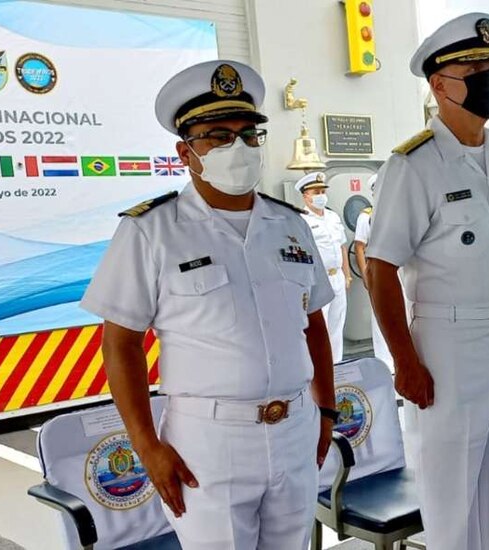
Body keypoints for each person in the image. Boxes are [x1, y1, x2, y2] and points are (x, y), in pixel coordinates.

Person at [80, 60, 338, 549]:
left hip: (296, 429)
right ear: (186, 152)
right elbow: (120, 345)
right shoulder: (150, 230)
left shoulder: (290, 225)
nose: (238, 147)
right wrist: (146, 446)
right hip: (209, 445)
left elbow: (314, 325)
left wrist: (326, 410)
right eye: (219, 136)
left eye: (248, 135)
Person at [365, 12, 489, 549]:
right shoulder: (412, 166)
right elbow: (379, 267)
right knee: (451, 491)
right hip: (447, 344)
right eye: (475, 70)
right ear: (440, 85)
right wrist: (405, 361)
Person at [297, 172, 351, 361]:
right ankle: (320, 368)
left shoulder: (333, 217)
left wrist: (347, 274)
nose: (321, 195)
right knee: (320, 326)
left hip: (337, 277)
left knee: (337, 322)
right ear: (306, 196)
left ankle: (336, 365)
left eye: (322, 191)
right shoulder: (301, 220)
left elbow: (342, 246)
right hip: (318, 280)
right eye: (316, 192)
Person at [353, 174, 392, 368]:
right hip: (378, 269)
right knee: (381, 316)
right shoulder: (366, 216)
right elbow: (359, 246)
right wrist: (366, 275)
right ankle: (385, 362)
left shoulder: (396, 212)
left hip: (401, 270)